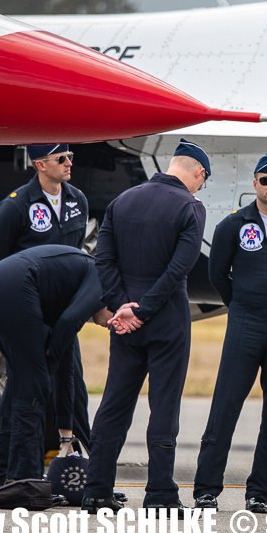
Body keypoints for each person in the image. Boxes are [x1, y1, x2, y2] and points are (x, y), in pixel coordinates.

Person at [81, 138, 209, 512]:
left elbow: (103, 260)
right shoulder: (190, 206)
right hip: (166, 320)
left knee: (114, 405)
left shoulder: (124, 201)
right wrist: (145, 309)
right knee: (163, 408)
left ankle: (96, 490)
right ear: (198, 173)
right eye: (203, 180)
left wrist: (123, 308)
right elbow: (179, 268)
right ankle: (160, 496)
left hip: (124, 324)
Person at [193, 151, 267, 513]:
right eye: (265, 180)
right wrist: (240, 304)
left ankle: (260, 493)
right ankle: (206, 490)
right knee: (225, 407)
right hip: (245, 323)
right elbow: (218, 274)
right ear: (254, 184)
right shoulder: (234, 225)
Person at [0, 143, 92, 481]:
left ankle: (88, 468)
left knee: (73, 385)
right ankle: (11, 473)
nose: (69, 163)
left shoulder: (77, 201)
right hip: (25, 308)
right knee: (23, 385)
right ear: (40, 164)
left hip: (63, 309)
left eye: (71, 156)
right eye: (62, 159)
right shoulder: (14, 207)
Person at [0, 245, 111, 485]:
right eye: (119, 313)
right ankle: (27, 477)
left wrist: (66, 437)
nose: (114, 324)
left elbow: (66, 373)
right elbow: (68, 323)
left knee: (19, 379)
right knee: (34, 383)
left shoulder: (72, 290)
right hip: (15, 284)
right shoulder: (103, 277)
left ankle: (8, 476)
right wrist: (46, 365)